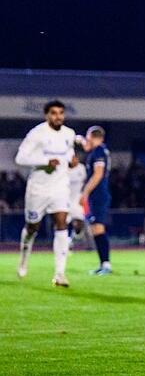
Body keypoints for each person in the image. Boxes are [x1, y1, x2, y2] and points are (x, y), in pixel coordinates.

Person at [15, 100, 76, 286]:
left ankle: (60, 274)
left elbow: (68, 154)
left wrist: (73, 160)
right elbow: (20, 157)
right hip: (38, 188)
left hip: (60, 187)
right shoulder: (37, 133)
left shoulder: (69, 134)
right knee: (32, 227)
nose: (58, 116)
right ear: (47, 115)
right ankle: (24, 256)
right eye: (54, 113)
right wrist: (45, 161)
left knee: (62, 223)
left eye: (61, 113)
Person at [81, 126, 113, 275]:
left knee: (99, 228)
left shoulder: (99, 151)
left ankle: (106, 265)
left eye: (88, 138)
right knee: (95, 229)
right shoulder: (98, 150)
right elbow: (86, 146)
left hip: (99, 195)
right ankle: (103, 264)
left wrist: (85, 192)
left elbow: (98, 174)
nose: (87, 141)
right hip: (97, 195)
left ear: (95, 138)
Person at [67, 138, 89, 249]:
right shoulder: (64, 169)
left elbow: (86, 182)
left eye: (75, 157)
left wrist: (85, 195)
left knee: (79, 222)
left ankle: (75, 237)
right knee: (62, 223)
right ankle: (66, 242)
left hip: (77, 199)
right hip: (65, 199)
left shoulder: (81, 168)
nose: (74, 159)